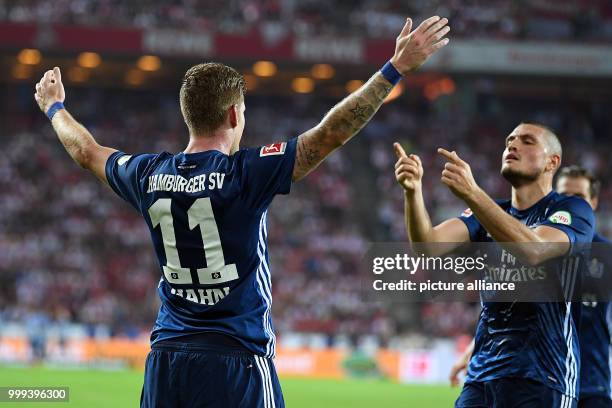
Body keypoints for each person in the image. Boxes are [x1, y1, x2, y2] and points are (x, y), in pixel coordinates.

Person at [34, 16, 450, 408]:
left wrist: (55, 107)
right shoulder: (244, 174)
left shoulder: (148, 174)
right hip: (237, 359)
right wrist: (395, 68)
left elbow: (86, 152)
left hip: (166, 360)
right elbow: (330, 134)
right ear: (234, 114)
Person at [394, 123, 595, 407]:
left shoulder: (573, 210)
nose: (512, 145)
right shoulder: (488, 213)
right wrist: (412, 193)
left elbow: (533, 249)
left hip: (544, 376)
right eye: (509, 140)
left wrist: (473, 194)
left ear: (553, 162)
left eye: (527, 141)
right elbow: (427, 247)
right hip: (482, 376)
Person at [556, 165, 611, 408]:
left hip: (591, 386)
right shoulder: (536, 248)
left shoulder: (607, 255)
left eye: (579, 197)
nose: (571, 203)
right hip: (546, 384)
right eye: (564, 195)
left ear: (594, 201)